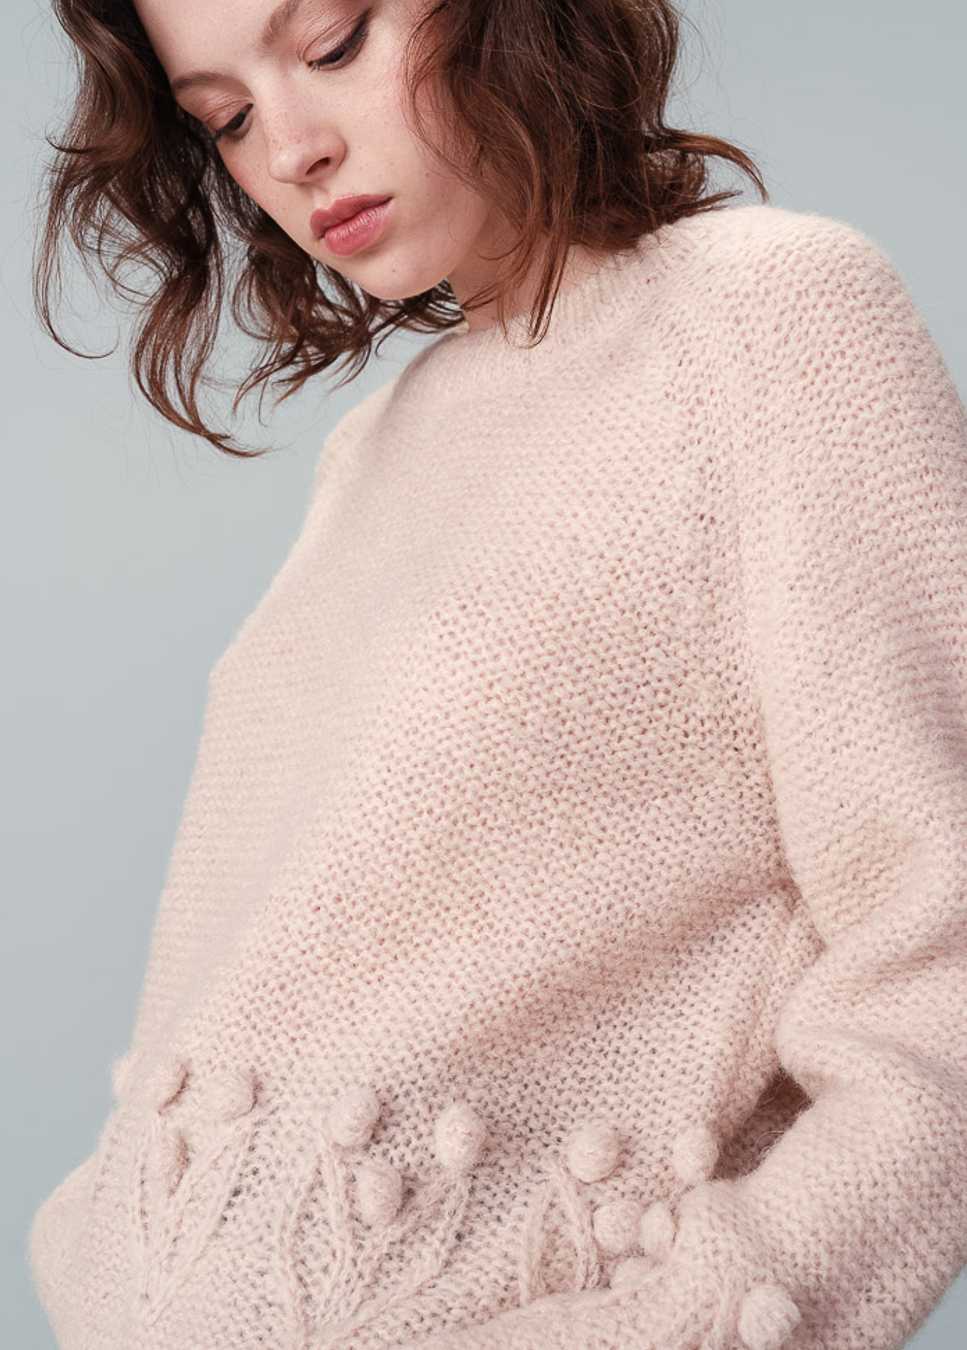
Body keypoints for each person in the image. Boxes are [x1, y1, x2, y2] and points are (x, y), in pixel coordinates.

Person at [27, 1, 967, 1347]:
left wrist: (692, 1321)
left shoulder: (768, 319)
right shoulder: (371, 455)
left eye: (334, 44)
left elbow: (945, 978)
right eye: (223, 118)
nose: (289, 149)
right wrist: (96, 1259)